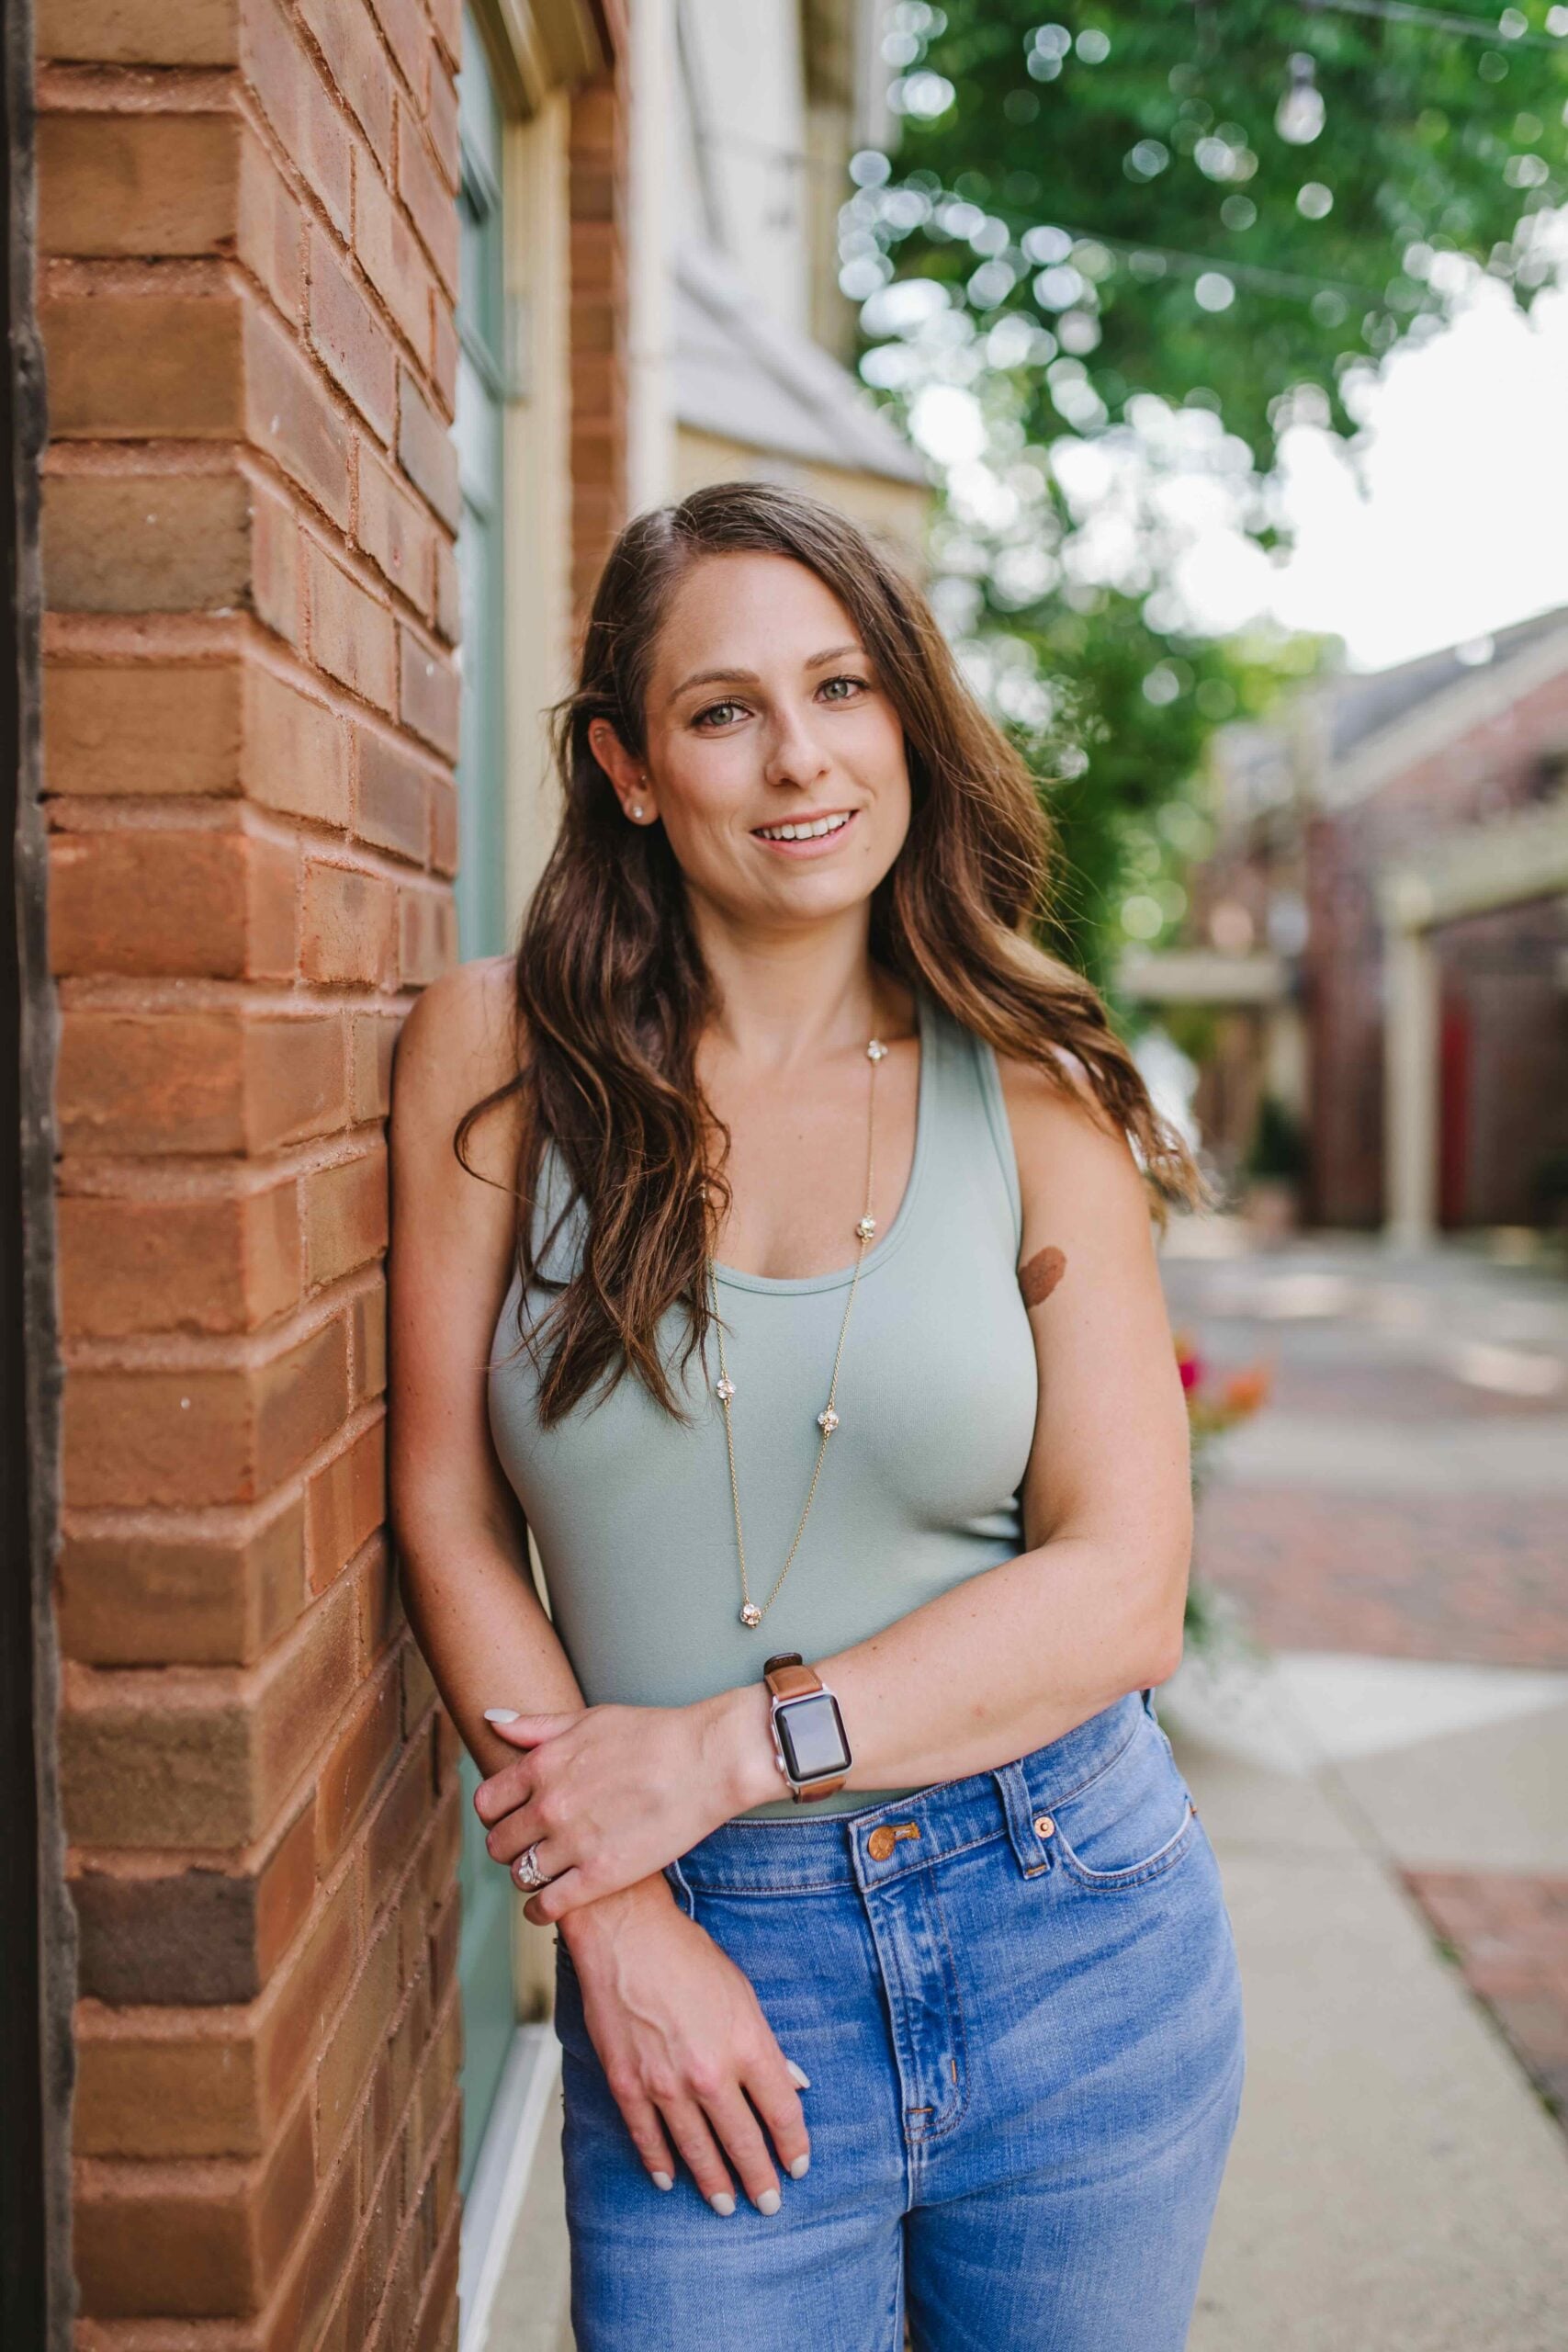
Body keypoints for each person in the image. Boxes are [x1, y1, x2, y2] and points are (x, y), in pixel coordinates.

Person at [389, 480, 1245, 2350]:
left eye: (843, 687)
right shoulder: (496, 1053)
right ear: (626, 762)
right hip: (698, 1950)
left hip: (1068, 1926)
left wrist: (707, 1756)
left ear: (904, 720)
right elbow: (447, 1510)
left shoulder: (1028, 1091)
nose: (799, 757)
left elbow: (1122, 1588)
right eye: (722, 709)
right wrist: (610, 1905)